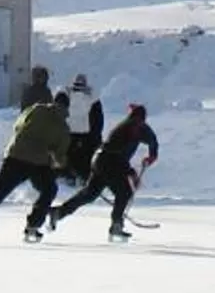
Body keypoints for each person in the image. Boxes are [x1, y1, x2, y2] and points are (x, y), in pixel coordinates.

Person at [0, 89, 71, 242]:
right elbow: (59, 158)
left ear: (53, 102)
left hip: (15, 156)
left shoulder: (35, 109)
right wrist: (60, 160)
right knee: (49, 189)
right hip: (39, 163)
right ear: (67, 108)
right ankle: (33, 227)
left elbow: (18, 126)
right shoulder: (63, 127)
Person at [51, 101, 161, 239]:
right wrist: (134, 171)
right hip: (108, 161)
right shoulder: (131, 128)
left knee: (89, 194)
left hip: (100, 160)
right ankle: (116, 226)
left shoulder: (133, 126)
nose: (139, 123)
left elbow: (150, 141)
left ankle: (58, 213)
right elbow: (118, 156)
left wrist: (149, 158)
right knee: (124, 192)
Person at [64, 72, 106, 179]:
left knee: (70, 156)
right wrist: (96, 136)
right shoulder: (93, 100)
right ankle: (86, 177)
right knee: (87, 157)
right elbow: (98, 120)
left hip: (70, 134)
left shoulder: (67, 98)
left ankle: (69, 176)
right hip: (88, 135)